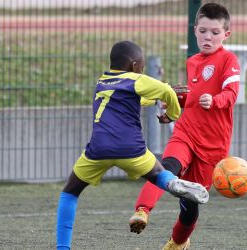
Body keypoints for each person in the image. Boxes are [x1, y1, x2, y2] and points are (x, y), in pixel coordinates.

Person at [56, 40, 209, 250]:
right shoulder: (136, 79)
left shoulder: (102, 82)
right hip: (130, 148)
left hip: (98, 150)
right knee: (157, 174)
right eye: (142, 66)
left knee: (70, 192)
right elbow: (166, 91)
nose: (143, 69)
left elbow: (133, 100)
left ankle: (62, 247)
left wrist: (157, 96)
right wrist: (170, 115)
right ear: (135, 65)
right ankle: (172, 184)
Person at [129, 3, 240, 249]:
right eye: (203, 31)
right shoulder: (193, 61)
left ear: (226, 34)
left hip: (213, 148)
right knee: (165, 167)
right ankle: (142, 211)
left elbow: (231, 95)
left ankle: (178, 242)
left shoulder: (229, 60)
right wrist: (172, 110)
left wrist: (215, 100)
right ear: (195, 30)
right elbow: (193, 96)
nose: (207, 37)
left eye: (214, 32)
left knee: (189, 205)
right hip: (186, 133)